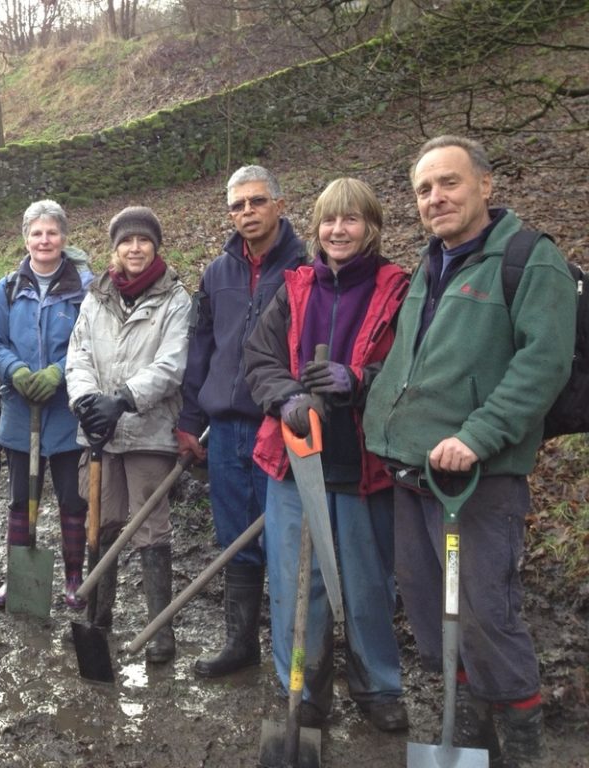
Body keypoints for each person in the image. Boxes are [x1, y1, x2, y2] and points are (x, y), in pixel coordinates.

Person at [364, 136, 575, 766]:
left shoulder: (530, 260)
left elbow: (544, 365)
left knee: (484, 614)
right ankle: (469, 734)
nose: (436, 198)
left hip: (478, 482)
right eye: (424, 190)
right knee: (431, 612)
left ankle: (521, 747)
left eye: (449, 183)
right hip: (411, 474)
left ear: (485, 185)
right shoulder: (431, 264)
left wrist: (477, 436)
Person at [245, 178, 410, 731]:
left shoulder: (397, 290)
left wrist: (358, 379)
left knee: (365, 583)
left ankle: (378, 688)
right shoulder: (294, 288)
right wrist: (287, 396)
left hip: (362, 462)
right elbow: (259, 359)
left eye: (351, 220)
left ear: (372, 228)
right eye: (329, 222)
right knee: (297, 582)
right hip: (295, 461)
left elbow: (411, 371)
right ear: (315, 229)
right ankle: (304, 685)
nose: (338, 231)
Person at [175, 166, 306, 678]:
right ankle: (240, 643)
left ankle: (293, 656)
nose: (247, 212)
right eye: (237, 205)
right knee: (234, 537)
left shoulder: (305, 269)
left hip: (277, 425)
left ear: (278, 203)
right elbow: (201, 347)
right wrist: (190, 418)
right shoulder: (217, 272)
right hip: (224, 427)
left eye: (256, 202)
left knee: (286, 540)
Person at [66, 206, 191, 662]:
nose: (134, 248)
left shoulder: (175, 297)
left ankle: (161, 630)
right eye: (126, 241)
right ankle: (98, 617)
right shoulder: (96, 296)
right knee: (102, 519)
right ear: (114, 247)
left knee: (150, 527)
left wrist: (123, 399)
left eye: (143, 240)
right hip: (99, 434)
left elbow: (172, 364)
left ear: (155, 245)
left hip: (148, 430)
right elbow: (77, 354)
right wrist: (86, 402)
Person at [0, 200, 93, 610]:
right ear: (25, 238)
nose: (44, 240)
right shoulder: (8, 288)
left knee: (72, 498)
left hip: (66, 410)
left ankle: (74, 577)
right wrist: (16, 371)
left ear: (64, 237)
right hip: (18, 407)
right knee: (20, 497)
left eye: (52, 232)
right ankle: (18, 577)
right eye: (36, 232)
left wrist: (59, 372)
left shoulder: (85, 288)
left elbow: (92, 342)